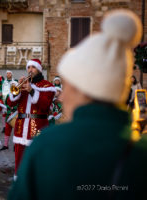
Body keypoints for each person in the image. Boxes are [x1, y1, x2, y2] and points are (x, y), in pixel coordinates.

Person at [8, 10, 147, 200]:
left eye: (68, 87)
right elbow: (11, 102)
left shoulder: (46, 144)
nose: (63, 97)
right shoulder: (141, 151)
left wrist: (32, 90)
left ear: (81, 88)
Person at [7, 59, 55, 179]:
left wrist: (32, 90)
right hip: (20, 127)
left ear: (39, 69)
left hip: (38, 126)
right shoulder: (23, 84)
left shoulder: (48, 86)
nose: (30, 70)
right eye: (28, 67)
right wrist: (16, 90)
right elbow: (10, 103)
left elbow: (45, 106)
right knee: (19, 158)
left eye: (33, 67)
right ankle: (19, 182)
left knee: (36, 157)